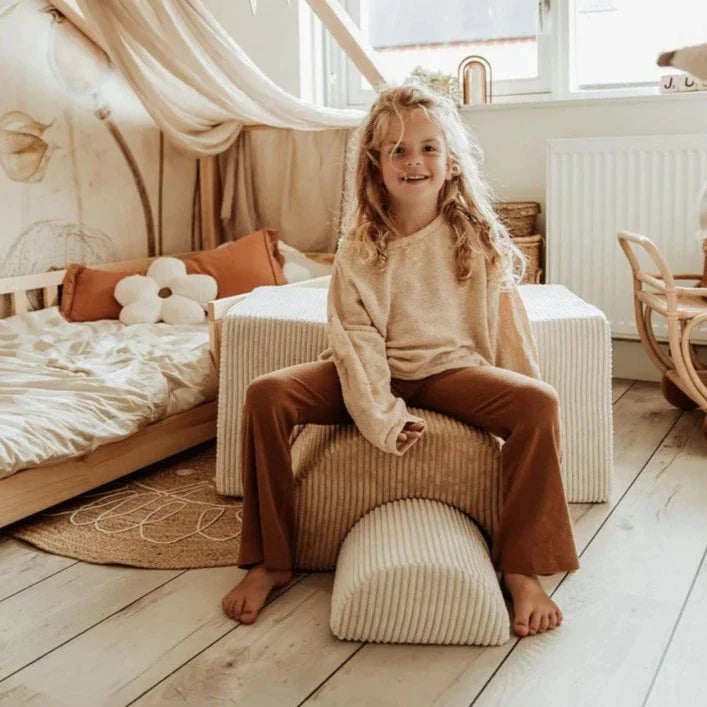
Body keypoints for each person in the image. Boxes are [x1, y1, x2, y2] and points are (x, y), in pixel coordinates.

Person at [222, 81, 580, 638]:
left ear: (451, 161)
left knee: (539, 402)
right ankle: (271, 560)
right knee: (267, 394)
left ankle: (520, 569)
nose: (414, 161)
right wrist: (383, 416)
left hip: (451, 372)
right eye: (398, 150)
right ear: (376, 166)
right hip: (369, 374)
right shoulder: (359, 247)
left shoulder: (477, 238)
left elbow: (508, 326)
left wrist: (519, 397)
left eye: (428, 148)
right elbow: (355, 340)